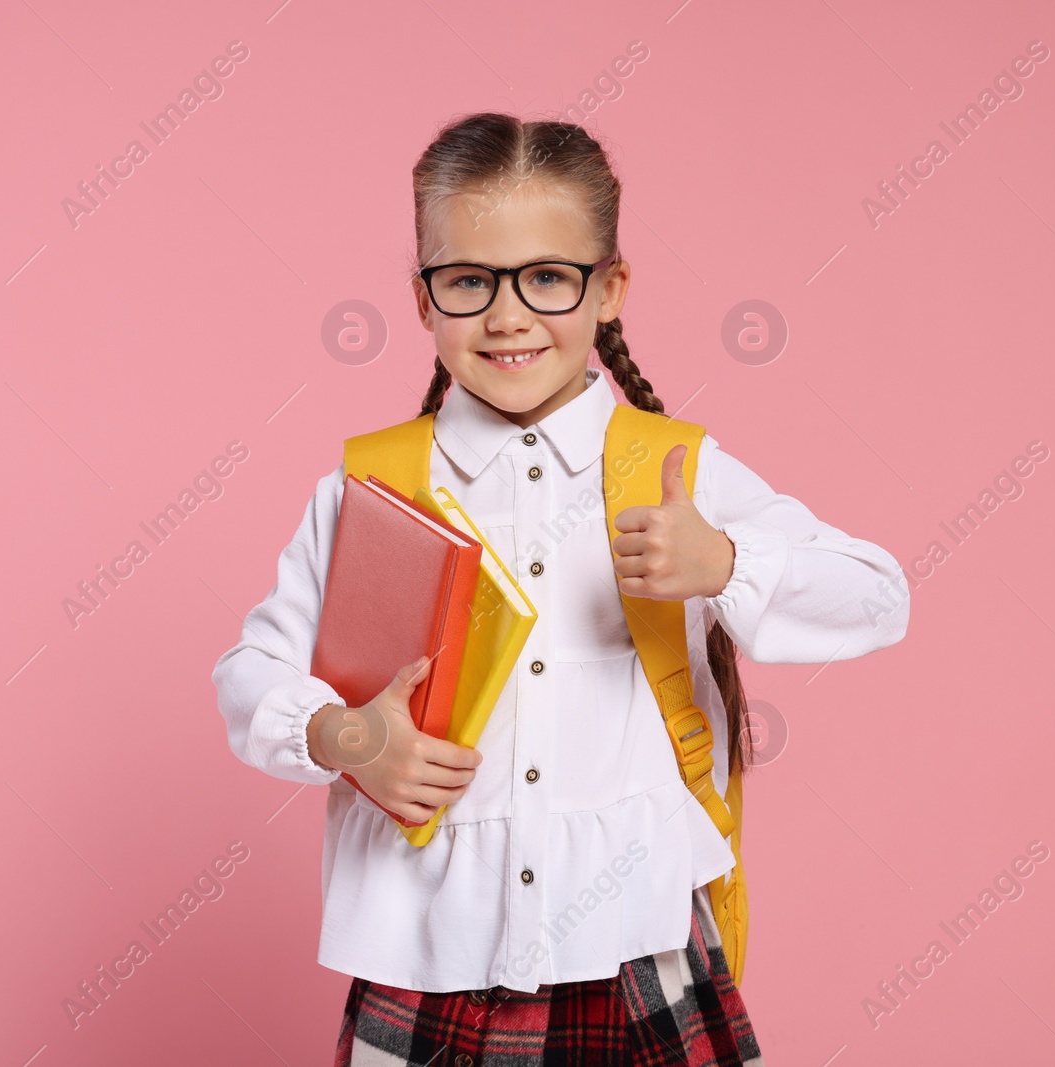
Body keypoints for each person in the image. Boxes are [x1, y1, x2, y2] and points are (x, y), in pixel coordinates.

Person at [211, 111, 910, 1066]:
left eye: (548, 277)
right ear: (423, 300)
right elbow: (251, 670)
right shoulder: (372, 492)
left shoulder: (674, 473)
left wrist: (728, 566)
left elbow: (879, 596)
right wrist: (345, 736)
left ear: (611, 288)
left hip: (643, 946)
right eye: (468, 282)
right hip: (430, 953)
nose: (507, 316)